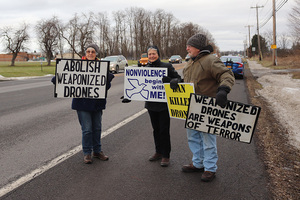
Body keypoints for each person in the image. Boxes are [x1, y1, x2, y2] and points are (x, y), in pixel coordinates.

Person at [181, 34, 235, 181]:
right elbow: (187, 82)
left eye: (189, 46)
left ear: (197, 47)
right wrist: (175, 82)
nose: (187, 48)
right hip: (191, 107)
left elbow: (227, 74)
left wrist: (223, 90)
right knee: (193, 137)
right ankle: (197, 163)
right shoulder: (190, 63)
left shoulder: (210, 60)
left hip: (207, 108)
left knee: (208, 139)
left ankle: (210, 168)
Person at [52, 44, 114, 164]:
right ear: (85, 53)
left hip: (97, 103)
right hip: (82, 104)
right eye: (88, 51)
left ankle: (97, 151)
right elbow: (62, 79)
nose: (90, 53)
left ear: (96, 54)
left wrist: (107, 81)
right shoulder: (76, 66)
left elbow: (106, 87)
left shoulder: (102, 67)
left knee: (97, 128)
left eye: (93, 52)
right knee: (87, 130)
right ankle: (87, 153)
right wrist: (58, 77)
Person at [144, 45, 182, 167]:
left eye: (154, 54)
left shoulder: (167, 66)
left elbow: (179, 80)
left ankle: (166, 155)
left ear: (158, 54)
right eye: (149, 54)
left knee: (164, 130)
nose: (151, 56)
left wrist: (172, 80)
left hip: (164, 105)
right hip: (151, 104)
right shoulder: (145, 68)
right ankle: (158, 151)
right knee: (156, 130)